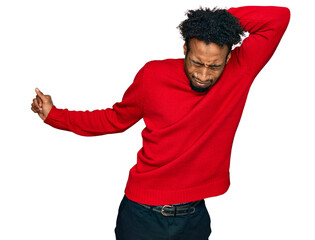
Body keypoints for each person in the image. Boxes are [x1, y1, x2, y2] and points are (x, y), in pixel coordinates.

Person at [31, 6, 290, 240]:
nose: (203, 75)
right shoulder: (153, 75)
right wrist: (56, 115)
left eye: (214, 67)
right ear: (185, 49)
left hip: (195, 217)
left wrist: (216, 21)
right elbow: (114, 119)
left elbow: (278, 18)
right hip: (141, 216)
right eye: (197, 62)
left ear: (229, 58)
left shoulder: (239, 71)